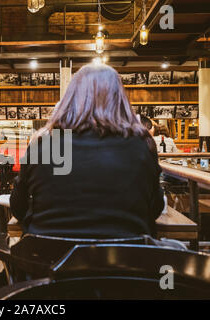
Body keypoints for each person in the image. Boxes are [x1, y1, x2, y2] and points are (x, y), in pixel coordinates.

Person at [10, 63, 164, 239]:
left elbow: (18, 207)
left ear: (70, 99)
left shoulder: (45, 143)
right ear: (119, 99)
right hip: (124, 262)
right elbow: (155, 209)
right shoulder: (142, 145)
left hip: (48, 261)